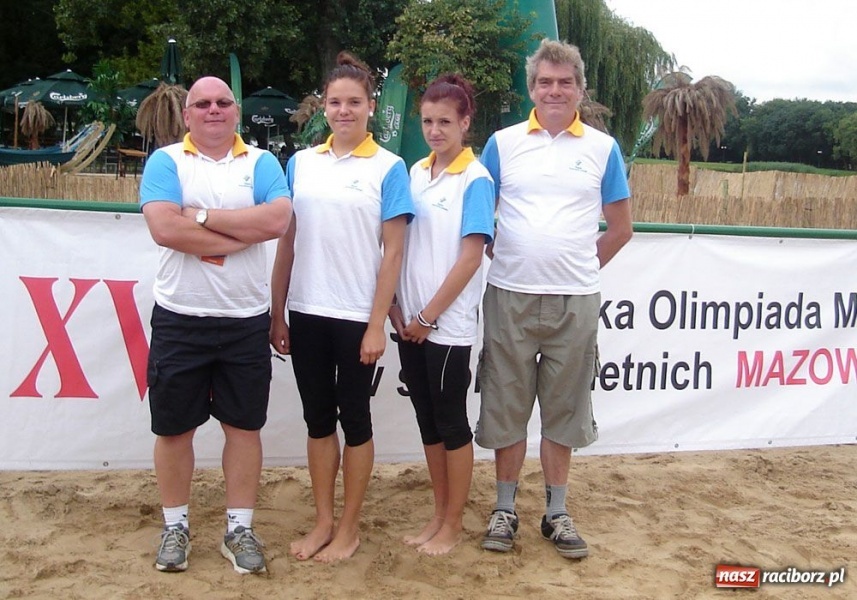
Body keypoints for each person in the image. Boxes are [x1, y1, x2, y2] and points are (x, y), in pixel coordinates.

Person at [476, 39, 633, 559]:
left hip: (575, 301)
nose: (555, 91)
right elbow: (479, 217)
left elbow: (621, 228)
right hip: (510, 296)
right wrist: (506, 255)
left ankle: (556, 512)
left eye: (565, 82)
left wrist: (579, 268)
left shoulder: (603, 149)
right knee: (506, 406)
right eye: (545, 82)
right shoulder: (501, 144)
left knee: (565, 410)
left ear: (580, 89)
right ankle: (505, 509)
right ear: (532, 88)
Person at [139, 76, 292, 574]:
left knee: (243, 428)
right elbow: (164, 228)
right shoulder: (166, 161)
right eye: (202, 103)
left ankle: (238, 528)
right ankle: (175, 527)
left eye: (223, 102)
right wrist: (238, 234)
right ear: (187, 115)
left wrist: (201, 217)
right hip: (180, 317)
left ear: (236, 111)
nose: (213, 110)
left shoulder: (262, 163)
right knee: (173, 429)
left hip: (245, 320)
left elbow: (276, 221)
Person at [269, 51, 414, 563]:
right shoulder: (301, 163)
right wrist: (278, 310)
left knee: (355, 420)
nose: (344, 110)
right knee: (317, 420)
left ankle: (349, 528)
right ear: (323, 106)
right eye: (335, 102)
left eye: (354, 102)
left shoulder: (389, 167)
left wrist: (376, 325)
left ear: (371, 106)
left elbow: (393, 253)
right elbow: (288, 242)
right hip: (306, 311)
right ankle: (323, 522)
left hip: (357, 317)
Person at [389, 74, 495, 555]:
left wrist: (429, 317)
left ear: (465, 123)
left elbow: (470, 258)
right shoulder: (415, 172)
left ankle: (453, 524)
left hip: (445, 326)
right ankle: (437, 514)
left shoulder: (476, 180)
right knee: (427, 421)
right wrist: (397, 306)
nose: (435, 130)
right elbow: (401, 246)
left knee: (451, 424)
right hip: (411, 322)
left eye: (445, 122)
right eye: (428, 121)